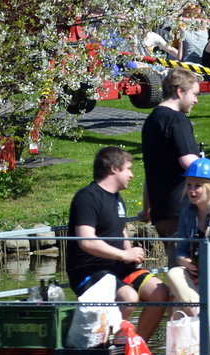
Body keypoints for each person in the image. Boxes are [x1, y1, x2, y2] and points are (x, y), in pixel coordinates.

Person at [67, 146, 170, 342]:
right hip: (90, 270)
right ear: (114, 169)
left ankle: (137, 346)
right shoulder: (87, 198)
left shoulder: (117, 198)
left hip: (119, 268)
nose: (132, 175)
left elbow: (120, 230)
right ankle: (108, 348)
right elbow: (86, 241)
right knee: (128, 298)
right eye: (128, 169)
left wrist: (130, 253)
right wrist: (124, 255)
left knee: (160, 292)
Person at [140, 69, 201, 268]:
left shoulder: (151, 121)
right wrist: (209, 169)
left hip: (161, 212)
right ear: (180, 91)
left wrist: (147, 208)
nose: (196, 100)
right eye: (194, 94)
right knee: (188, 273)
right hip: (181, 210)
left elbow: (151, 170)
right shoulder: (177, 120)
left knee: (177, 269)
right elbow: (189, 162)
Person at [167, 158, 210, 316]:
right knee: (173, 273)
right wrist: (185, 262)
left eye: (197, 186)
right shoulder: (187, 212)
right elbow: (181, 251)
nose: (192, 190)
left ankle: (201, 323)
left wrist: (204, 276)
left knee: (178, 308)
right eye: (189, 185)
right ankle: (201, 322)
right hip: (196, 274)